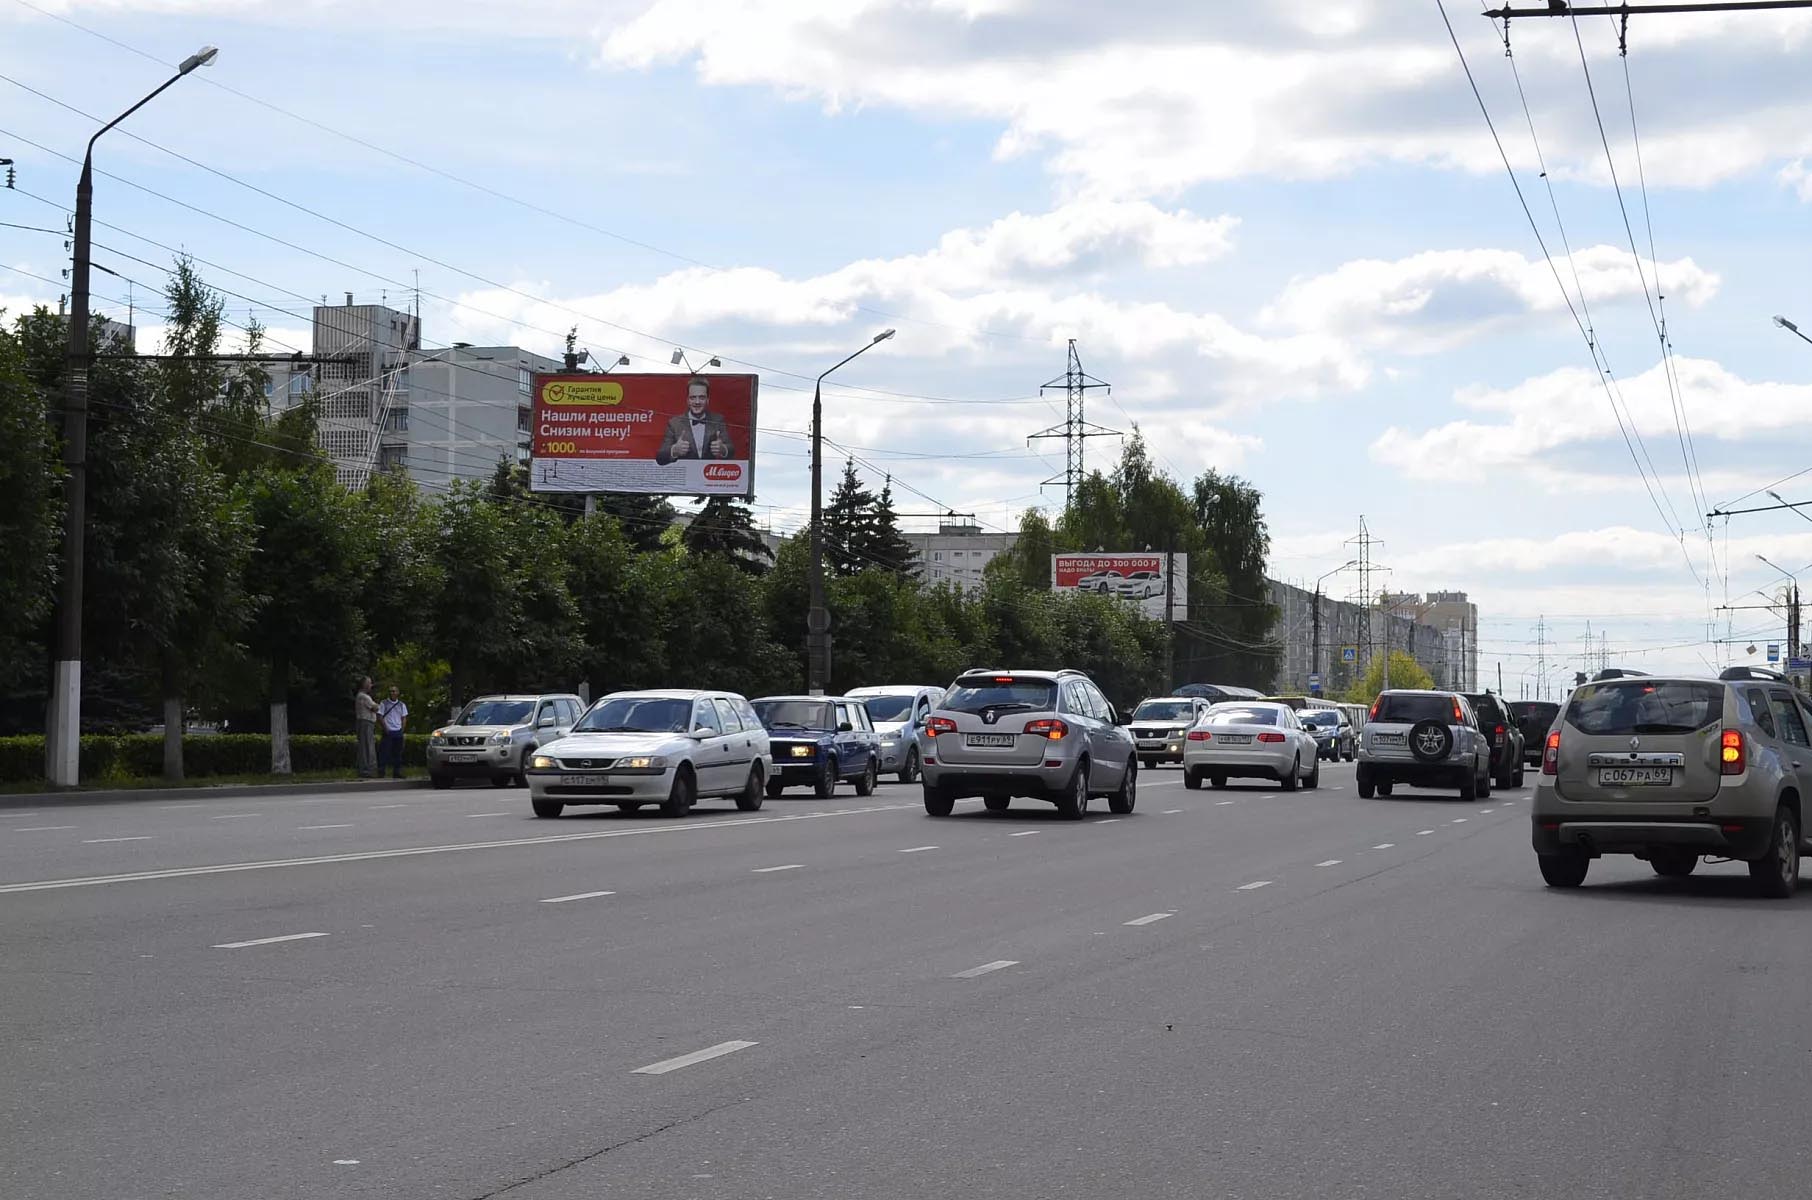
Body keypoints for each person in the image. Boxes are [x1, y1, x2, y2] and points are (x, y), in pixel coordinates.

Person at [654, 376, 734, 464]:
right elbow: (660, 457)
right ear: (687, 400)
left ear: (708, 400)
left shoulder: (718, 420)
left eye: (701, 397)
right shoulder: (674, 423)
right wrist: (674, 450)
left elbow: (731, 450)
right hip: (685, 476)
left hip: (709, 475)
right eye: (693, 398)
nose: (697, 402)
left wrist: (723, 449)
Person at [377, 685, 409, 780]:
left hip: (398, 731)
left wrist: (402, 729)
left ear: (398, 693)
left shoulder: (401, 705)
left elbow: (404, 717)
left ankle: (397, 772)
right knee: (384, 752)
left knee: (398, 753)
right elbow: (380, 716)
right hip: (388, 731)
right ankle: (381, 771)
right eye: (391, 691)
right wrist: (385, 728)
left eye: (394, 691)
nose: (392, 693)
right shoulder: (384, 703)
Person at [354, 677, 378, 778]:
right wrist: (378, 705)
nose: (371, 685)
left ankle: (367, 769)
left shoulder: (363, 696)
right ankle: (366, 770)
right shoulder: (363, 697)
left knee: (367, 745)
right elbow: (375, 707)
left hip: (367, 723)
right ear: (364, 685)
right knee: (367, 746)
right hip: (366, 722)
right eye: (369, 683)